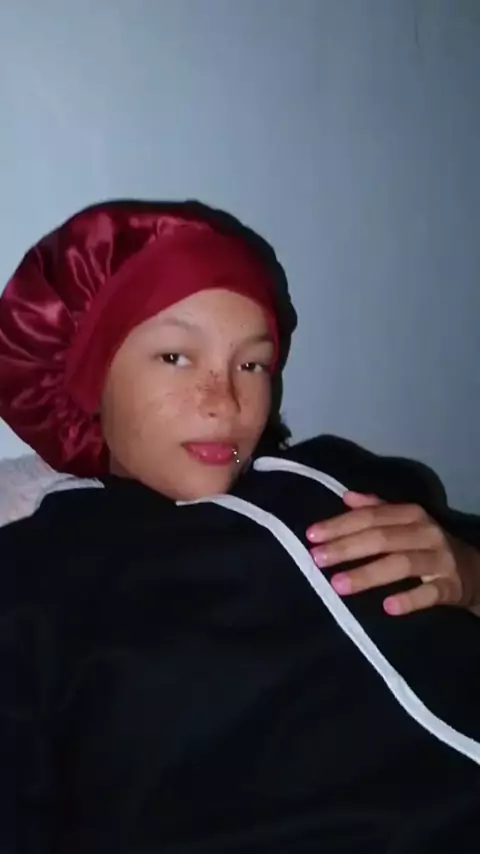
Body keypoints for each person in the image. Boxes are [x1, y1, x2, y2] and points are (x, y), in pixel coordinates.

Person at [0, 199, 479, 853]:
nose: (226, 402)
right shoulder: (31, 576)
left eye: (251, 365)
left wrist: (472, 575)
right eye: (175, 356)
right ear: (89, 379)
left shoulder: (339, 475)